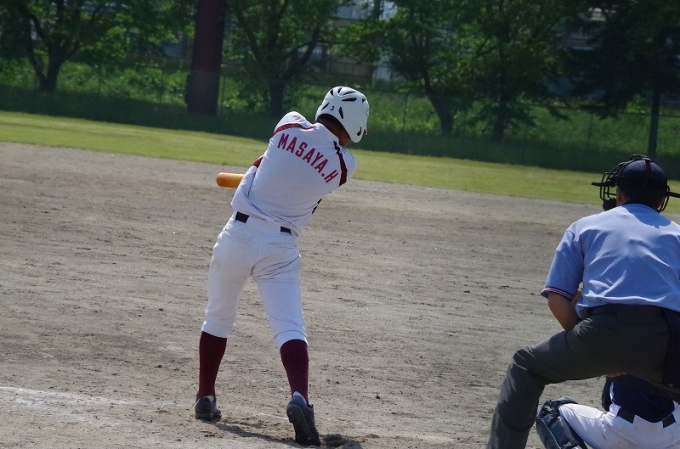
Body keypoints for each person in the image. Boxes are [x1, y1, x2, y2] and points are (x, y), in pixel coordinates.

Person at [194, 86, 370, 447]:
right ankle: (300, 397)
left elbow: (264, 163)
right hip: (280, 246)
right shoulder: (344, 166)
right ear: (355, 126)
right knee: (290, 327)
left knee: (218, 317)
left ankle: (205, 396)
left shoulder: (289, 123)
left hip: (238, 233)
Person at [486, 154, 680, 449]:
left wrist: (595, 349)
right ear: (661, 200)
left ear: (619, 193)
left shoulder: (585, 226)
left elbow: (557, 299)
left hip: (602, 330)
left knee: (526, 367)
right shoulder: (677, 235)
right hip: (669, 341)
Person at [536, 375, 680, 449]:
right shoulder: (674, 332)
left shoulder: (619, 333)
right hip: (672, 439)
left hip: (621, 432)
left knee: (551, 410)